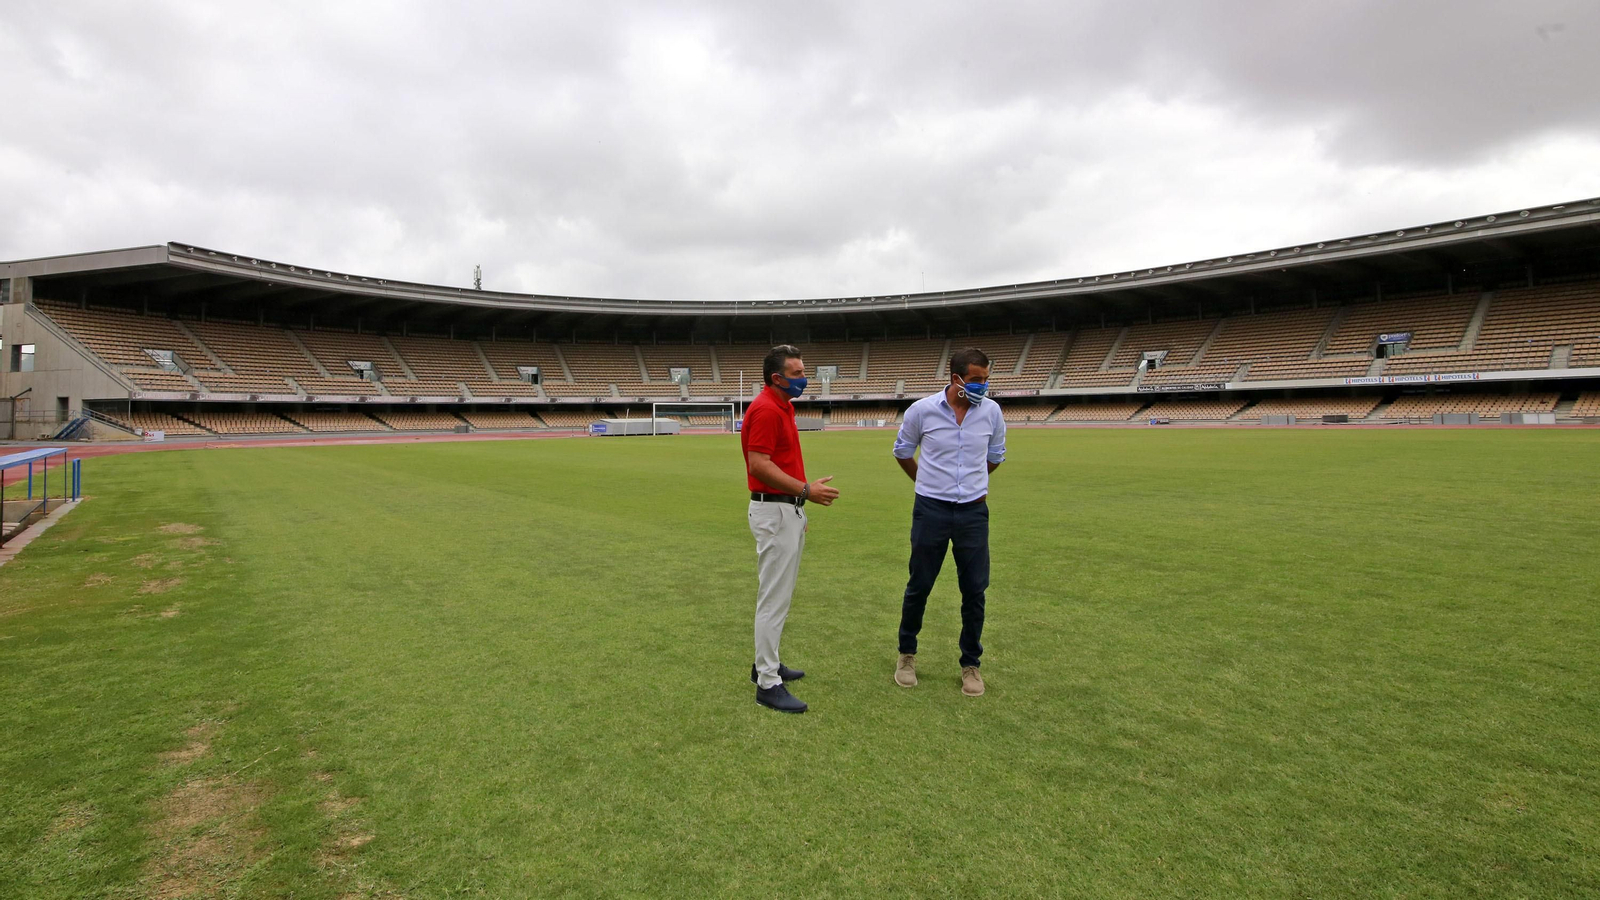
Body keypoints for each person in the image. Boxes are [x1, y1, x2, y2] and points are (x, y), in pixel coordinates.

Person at [890, 347, 1006, 697]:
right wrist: (927, 483)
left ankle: (971, 664)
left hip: (973, 513)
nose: (982, 387)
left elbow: (995, 457)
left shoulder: (991, 413)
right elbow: (902, 451)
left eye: (986, 380)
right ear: (955, 378)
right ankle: (906, 655)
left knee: (974, 590)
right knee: (919, 585)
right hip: (931, 511)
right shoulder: (922, 411)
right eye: (975, 380)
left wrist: (971, 484)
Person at [742, 344, 839, 713]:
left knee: (780, 597)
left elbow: (781, 462)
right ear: (777, 378)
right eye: (797, 373)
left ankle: (766, 663)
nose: (804, 379)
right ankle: (767, 682)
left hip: (785, 510)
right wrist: (805, 492)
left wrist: (799, 505)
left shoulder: (784, 405)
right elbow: (759, 465)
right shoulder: (766, 408)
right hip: (774, 511)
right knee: (773, 599)